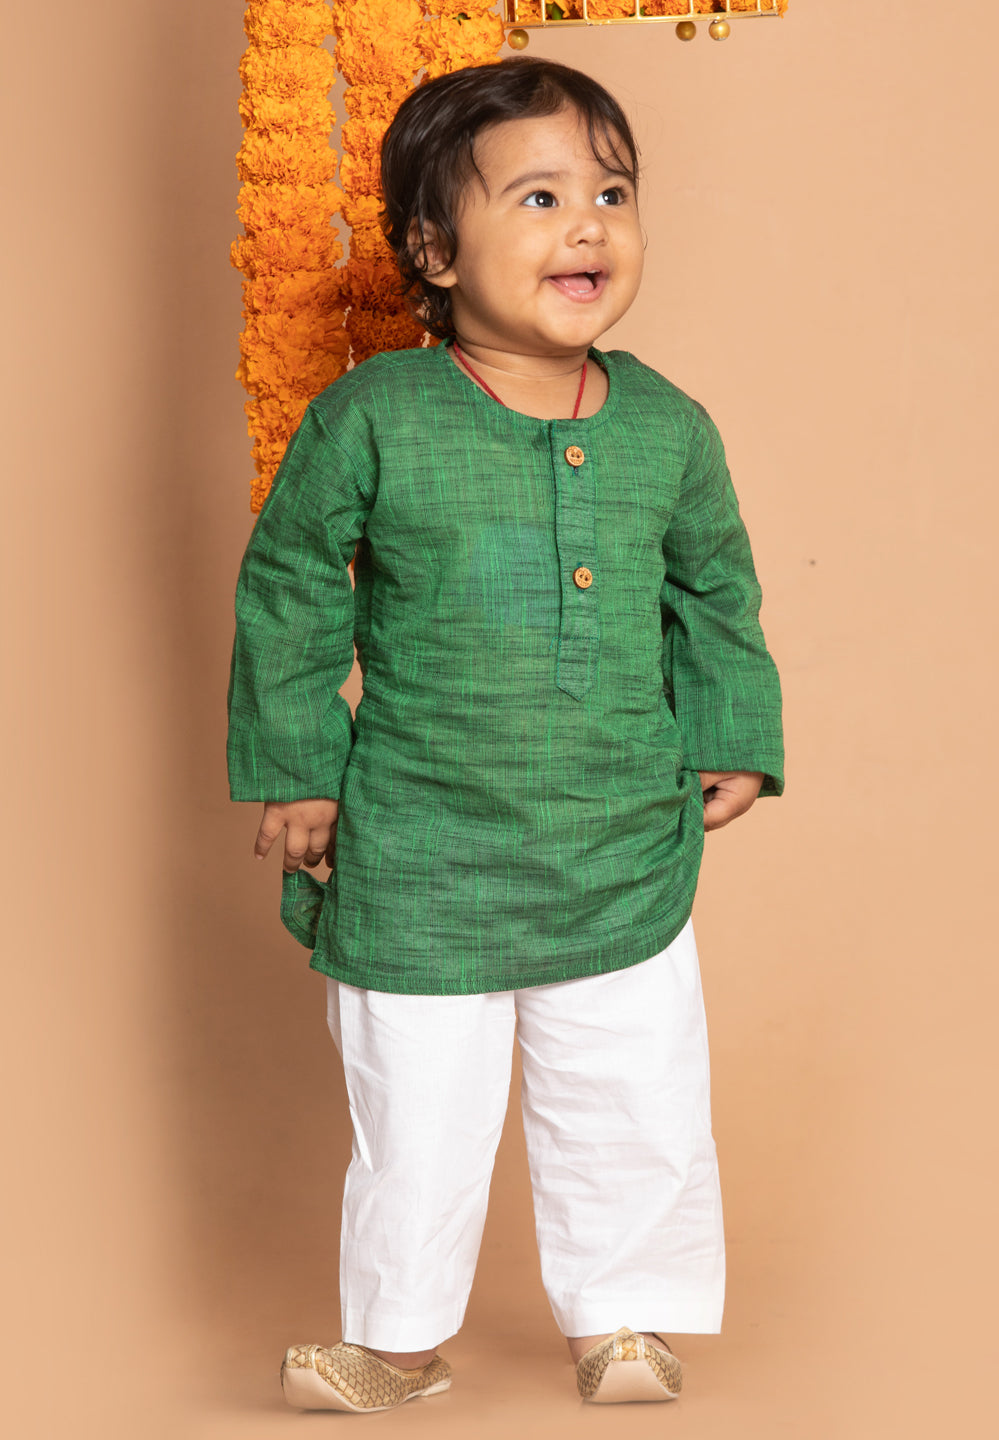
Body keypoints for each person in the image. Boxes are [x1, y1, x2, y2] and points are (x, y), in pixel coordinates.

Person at [227, 56, 783, 1413]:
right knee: (417, 1108)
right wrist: (298, 769)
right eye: (538, 197)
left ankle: (627, 1321)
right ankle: (396, 1342)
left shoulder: (668, 427)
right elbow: (290, 584)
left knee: (633, 1091)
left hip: (618, 840)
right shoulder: (373, 415)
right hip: (422, 844)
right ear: (433, 248)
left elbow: (715, 588)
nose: (587, 223)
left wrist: (731, 730)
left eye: (612, 193)